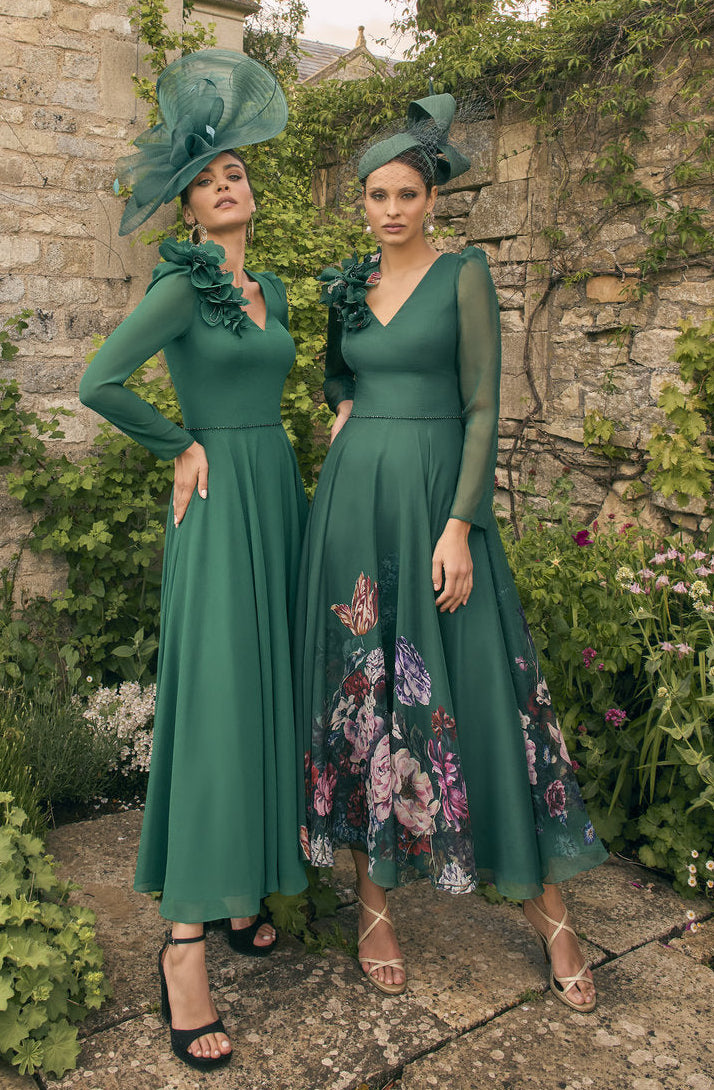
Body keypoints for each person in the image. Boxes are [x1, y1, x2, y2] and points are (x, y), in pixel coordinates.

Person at [295, 93, 608, 1009]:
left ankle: (549, 912)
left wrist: (462, 524)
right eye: (375, 195)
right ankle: (373, 902)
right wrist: (347, 414)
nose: (389, 208)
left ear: (432, 199)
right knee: (364, 692)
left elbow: (484, 405)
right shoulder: (349, 284)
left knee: (476, 690)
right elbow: (334, 372)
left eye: (405, 193)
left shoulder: (464, 274)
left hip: (439, 503)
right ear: (362, 202)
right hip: (353, 506)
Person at [79, 50, 307, 1070]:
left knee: (267, 690)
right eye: (208, 175)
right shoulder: (185, 282)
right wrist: (181, 445)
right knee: (218, 701)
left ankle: (242, 889)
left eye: (237, 171)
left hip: (278, 497)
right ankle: (182, 945)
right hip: (216, 501)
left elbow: (309, 369)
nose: (228, 182)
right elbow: (101, 380)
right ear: (185, 201)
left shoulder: (275, 288)